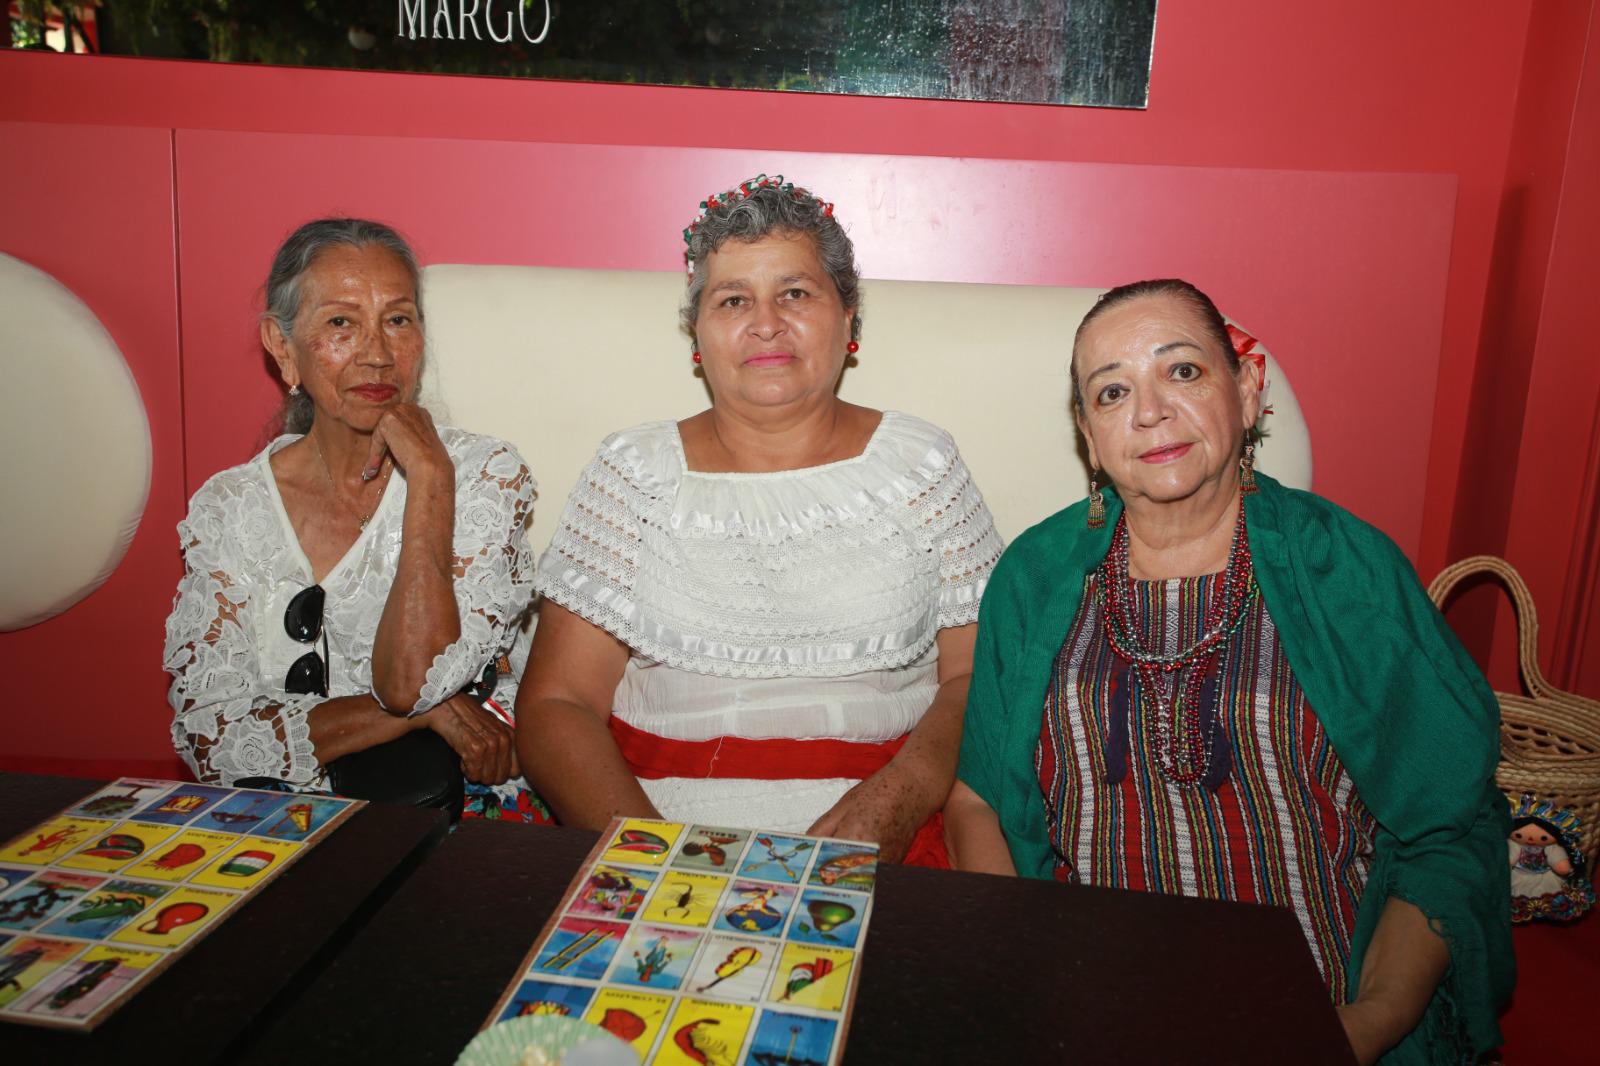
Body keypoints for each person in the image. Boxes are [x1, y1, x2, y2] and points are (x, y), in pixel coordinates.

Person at [946, 279, 1512, 1064]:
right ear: (1088, 433)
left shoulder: (1347, 570)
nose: (1148, 412)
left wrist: (1363, 1026)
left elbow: (1449, 831)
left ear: (1247, 393)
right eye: (1113, 392)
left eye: (1182, 372)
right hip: (1088, 1000)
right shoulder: (1034, 577)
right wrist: (1031, 975)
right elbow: (976, 800)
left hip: (1323, 1007)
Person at [516, 175, 1003, 861]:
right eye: (733, 299)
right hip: (646, 829)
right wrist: (658, 862)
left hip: (887, 836)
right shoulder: (633, 472)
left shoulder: (922, 464)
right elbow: (556, 707)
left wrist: (900, 796)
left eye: (795, 294)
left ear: (849, 318)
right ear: (698, 334)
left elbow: (977, 681)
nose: (766, 323)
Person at [165, 218, 545, 821]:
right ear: (283, 346)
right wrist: (424, 714)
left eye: (398, 320)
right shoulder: (230, 508)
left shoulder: (481, 476)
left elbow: (411, 681)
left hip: (460, 810)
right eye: (341, 323)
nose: (376, 354)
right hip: (279, 821)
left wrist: (430, 480)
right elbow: (217, 737)